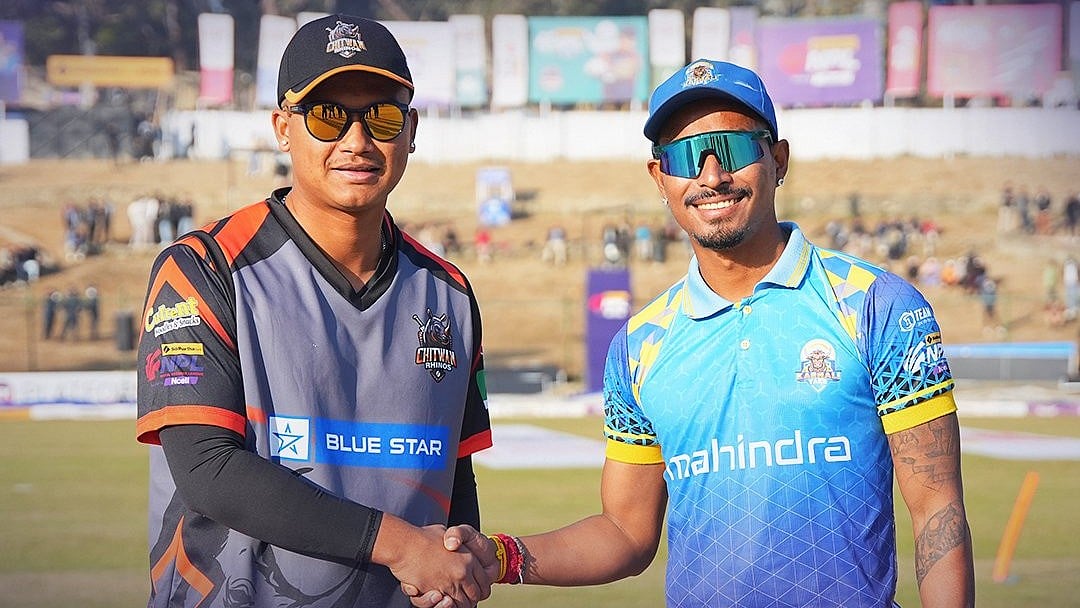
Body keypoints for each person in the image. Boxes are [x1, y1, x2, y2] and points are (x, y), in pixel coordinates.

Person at [413, 59, 975, 607]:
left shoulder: (873, 304)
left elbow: (937, 511)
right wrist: (504, 557)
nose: (711, 176)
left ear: (778, 160)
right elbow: (625, 534)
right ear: (659, 177)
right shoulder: (639, 346)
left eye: (732, 149)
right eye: (685, 156)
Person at [135, 15, 493, 608]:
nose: (357, 141)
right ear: (282, 128)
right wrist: (404, 547)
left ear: (411, 130)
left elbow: (453, 481)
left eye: (381, 115)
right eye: (328, 115)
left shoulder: (449, 293)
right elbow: (207, 468)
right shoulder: (202, 268)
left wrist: (455, 562)